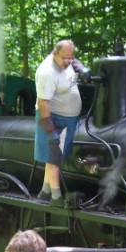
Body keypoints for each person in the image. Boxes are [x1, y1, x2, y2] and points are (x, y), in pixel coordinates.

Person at [34, 39, 90, 207]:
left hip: (68, 118)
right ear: (54, 53)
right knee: (55, 158)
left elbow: (73, 61)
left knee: (52, 157)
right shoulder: (47, 73)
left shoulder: (66, 61)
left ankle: (45, 191)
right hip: (54, 118)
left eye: (70, 57)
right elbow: (43, 104)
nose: (68, 61)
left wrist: (83, 69)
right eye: (64, 58)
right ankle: (56, 197)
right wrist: (51, 132)